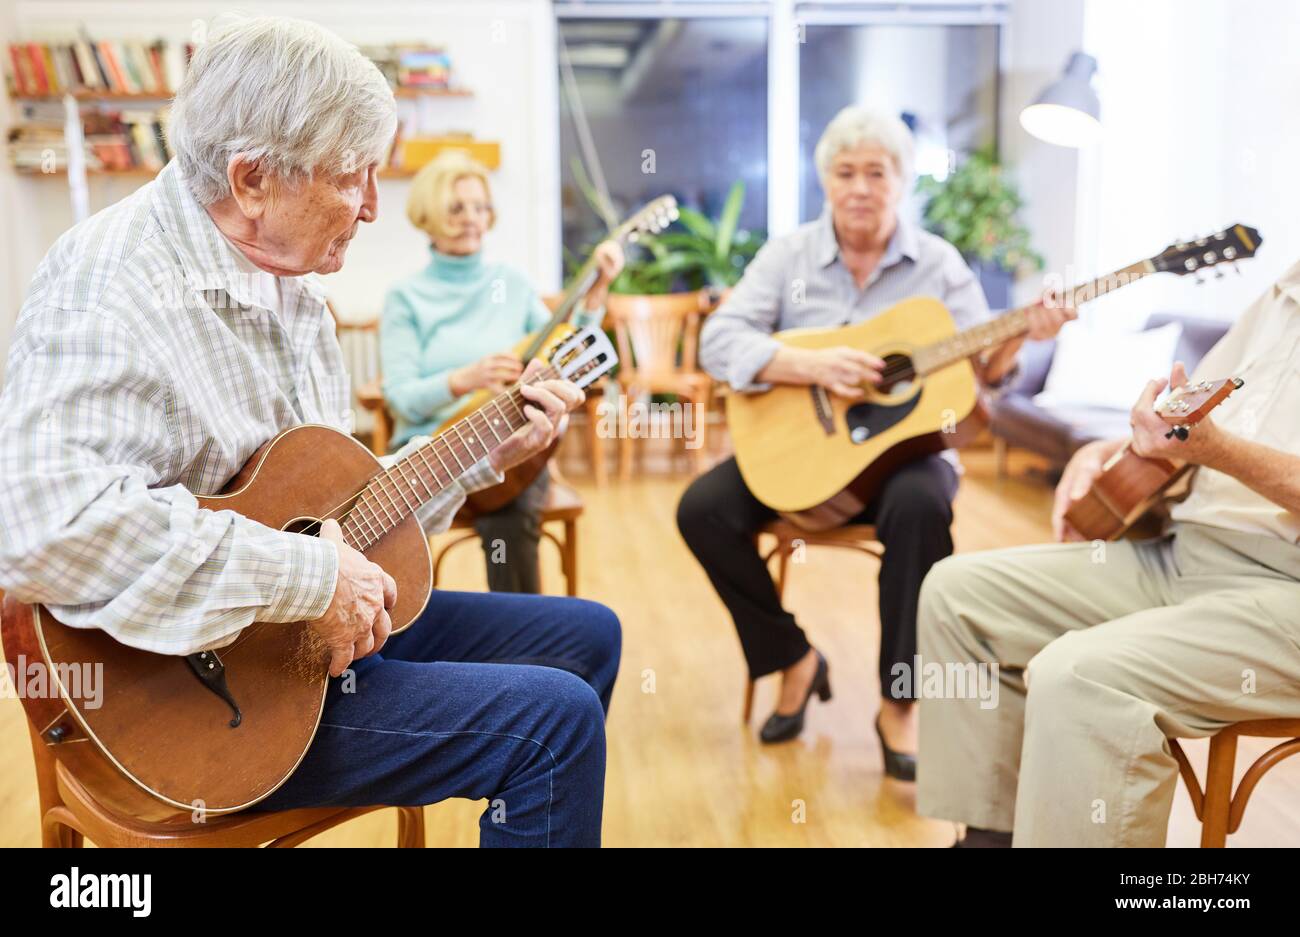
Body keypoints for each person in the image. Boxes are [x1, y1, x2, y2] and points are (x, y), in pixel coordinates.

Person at [0, 15, 619, 847]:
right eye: (353, 177)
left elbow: (339, 513)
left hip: (303, 651)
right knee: (555, 724)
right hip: (198, 706)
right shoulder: (109, 283)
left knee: (586, 637)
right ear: (251, 179)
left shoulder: (290, 282)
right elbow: (44, 525)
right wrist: (306, 576)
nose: (371, 207)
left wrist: (482, 463)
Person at [676, 105, 1072, 775]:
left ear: (902, 181)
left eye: (877, 173)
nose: (860, 187)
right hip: (803, 459)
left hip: (904, 460)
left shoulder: (939, 266)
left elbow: (984, 377)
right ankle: (793, 659)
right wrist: (809, 365)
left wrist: (1025, 337)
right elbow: (718, 340)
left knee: (922, 507)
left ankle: (899, 701)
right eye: (845, 172)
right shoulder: (788, 255)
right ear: (825, 180)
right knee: (701, 509)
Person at [917, 261, 1300, 847]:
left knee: (1078, 677)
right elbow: (1193, 421)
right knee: (957, 593)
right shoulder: (1281, 292)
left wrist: (1221, 454)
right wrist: (1111, 448)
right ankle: (989, 837)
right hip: (1186, 551)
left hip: (1284, 591)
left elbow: (1218, 446)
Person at [380, 150, 623, 593]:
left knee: (511, 510)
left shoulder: (510, 283)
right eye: (457, 208)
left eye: (480, 207)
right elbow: (400, 397)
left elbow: (568, 355)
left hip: (505, 447)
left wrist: (595, 295)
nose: (472, 218)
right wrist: (463, 379)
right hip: (430, 454)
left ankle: (523, 649)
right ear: (428, 215)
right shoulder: (405, 297)